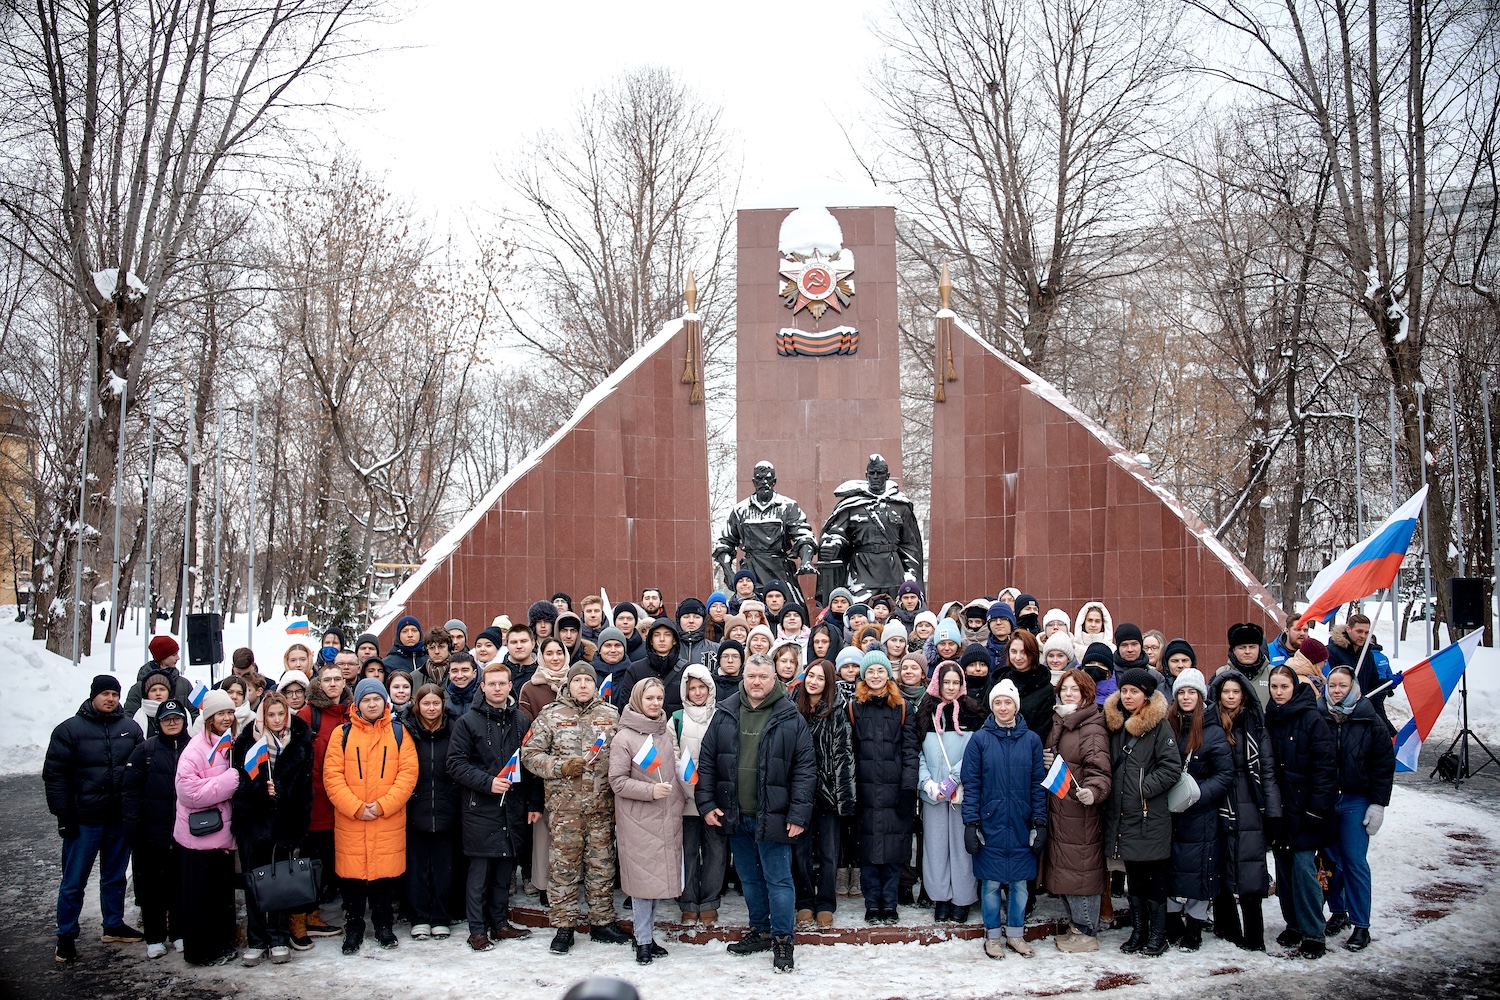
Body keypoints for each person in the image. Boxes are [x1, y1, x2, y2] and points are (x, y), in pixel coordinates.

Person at [696, 652, 815, 973]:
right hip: (735, 814)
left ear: (774, 680)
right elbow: (707, 760)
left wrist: (798, 814)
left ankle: (782, 939)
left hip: (775, 815)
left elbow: (805, 770)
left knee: (778, 879)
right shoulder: (725, 712)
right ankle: (760, 929)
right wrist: (706, 804)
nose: (757, 682)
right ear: (743, 679)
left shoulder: (790, 717)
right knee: (749, 878)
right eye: (752, 677)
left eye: (763, 677)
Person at [521, 662, 631, 954]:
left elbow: (626, 753)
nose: (583, 685)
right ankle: (564, 926)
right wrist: (559, 767)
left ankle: (602, 922)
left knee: (602, 865)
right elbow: (529, 754)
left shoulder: (610, 715)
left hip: (601, 807)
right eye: (577, 680)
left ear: (595, 685)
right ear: (568, 684)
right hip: (564, 809)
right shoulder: (551, 716)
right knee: (564, 869)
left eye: (588, 680)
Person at [45, 674, 145, 962]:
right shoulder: (69, 730)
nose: (110, 699)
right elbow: (55, 776)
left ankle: (113, 924)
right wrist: (63, 814)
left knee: (114, 877)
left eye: (115, 694)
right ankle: (65, 934)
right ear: (93, 696)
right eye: (105, 694)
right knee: (74, 880)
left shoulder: (130, 728)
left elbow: (139, 771)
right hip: (84, 820)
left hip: (118, 819)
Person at [447, 662, 543, 952]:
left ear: (510, 686)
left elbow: (531, 765)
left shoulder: (521, 721)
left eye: (503, 683)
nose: (498, 688)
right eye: (493, 684)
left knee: (504, 871)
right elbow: (455, 764)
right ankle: (477, 930)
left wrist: (534, 803)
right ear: (483, 686)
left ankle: (500, 923)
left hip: (512, 808)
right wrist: (488, 782)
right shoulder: (468, 722)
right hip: (480, 808)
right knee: (479, 876)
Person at [323, 677, 419, 953]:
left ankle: (383, 925)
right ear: (357, 704)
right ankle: (353, 927)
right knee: (352, 879)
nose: (372, 704)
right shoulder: (341, 735)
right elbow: (332, 776)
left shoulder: (399, 732)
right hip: (351, 819)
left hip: (387, 817)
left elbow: (408, 774)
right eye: (366, 699)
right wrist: (355, 807)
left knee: (384, 879)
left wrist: (383, 805)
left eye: (377, 698)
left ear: (384, 701)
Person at [962, 678, 1046, 960]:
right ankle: (993, 936)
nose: (1002, 707)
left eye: (1007, 702)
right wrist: (971, 823)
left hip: (1021, 822)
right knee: (992, 883)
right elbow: (971, 783)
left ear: (1016, 705)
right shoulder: (980, 740)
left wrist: (1039, 821)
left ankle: (1015, 934)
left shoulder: (1032, 740)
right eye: (997, 702)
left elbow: (1038, 784)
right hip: (991, 821)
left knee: (1020, 884)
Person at [1102, 668, 1181, 958]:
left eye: (1134, 691)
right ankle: (1138, 932)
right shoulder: (1115, 724)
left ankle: (1157, 935)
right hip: (1122, 814)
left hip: (1150, 815)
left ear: (1146, 696)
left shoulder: (1159, 727)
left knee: (1154, 879)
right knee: (1134, 878)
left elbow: (1172, 767)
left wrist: (1142, 788)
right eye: (1124, 691)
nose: (1128, 696)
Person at [231, 691, 314, 965]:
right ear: (262, 716)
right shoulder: (247, 742)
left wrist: (294, 821)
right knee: (255, 881)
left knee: (279, 881)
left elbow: (304, 788)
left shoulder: (301, 740)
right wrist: (259, 790)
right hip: (253, 823)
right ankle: (256, 938)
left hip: (284, 823)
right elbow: (237, 785)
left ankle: (278, 936)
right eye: (271, 714)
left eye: (281, 714)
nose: (277, 720)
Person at [608, 677, 687, 965]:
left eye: (659, 698)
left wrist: (686, 781)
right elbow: (617, 781)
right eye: (649, 698)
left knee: (655, 882)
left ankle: (648, 937)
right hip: (638, 819)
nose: (655, 703)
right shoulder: (624, 737)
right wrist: (650, 791)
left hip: (666, 815)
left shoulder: (665, 731)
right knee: (643, 884)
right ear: (638, 700)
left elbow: (673, 765)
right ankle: (642, 940)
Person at [1264, 664, 1337, 959]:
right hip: (1280, 810)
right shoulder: (1270, 717)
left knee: (1306, 871)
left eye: (1284, 687)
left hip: (1306, 810)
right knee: (1284, 870)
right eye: (1274, 687)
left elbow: (1325, 768)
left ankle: (1313, 932)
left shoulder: (1312, 719)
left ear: (1295, 687)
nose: (1279, 692)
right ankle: (1293, 924)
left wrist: (1318, 808)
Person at [1322, 664, 1395, 952]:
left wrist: (1378, 804)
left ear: (1353, 687)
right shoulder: (1319, 715)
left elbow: (1383, 766)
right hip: (1326, 800)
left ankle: (1361, 924)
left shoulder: (1370, 719)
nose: (1337, 691)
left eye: (1342, 686)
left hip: (1355, 799)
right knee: (1330, 861)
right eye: (1332, 686)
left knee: (1353, 861)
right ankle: (1337, 911)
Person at [1208, 667, 1279, 952]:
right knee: (1220, 864)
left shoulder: (1255, 724)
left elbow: (1268, 771)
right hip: (1218, 798)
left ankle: (1254, 935)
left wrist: (1273, 813)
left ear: (1245, 695)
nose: (1231, 697)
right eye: (1226, 692)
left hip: (1250, 798)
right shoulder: (1210, 724)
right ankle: (1228, 928)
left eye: (1236, 692)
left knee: (1251, 869)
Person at [1041, 668, 1111, 952]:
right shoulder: (1062, 721)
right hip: (1061, 806)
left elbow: (1100, 770)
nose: (1068, 694)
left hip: (1080, 810)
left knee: (1082, 871)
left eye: (1075, 690)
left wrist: (1092, 793)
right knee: (1069, 869)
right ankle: (1076, 927)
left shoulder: (1091, 727)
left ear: (1086, 694)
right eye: (1065, 689)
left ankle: (1086, 931)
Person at [1164, 665, 1233, 951]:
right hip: (1169, 813)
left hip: (1200, 813)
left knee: (1199, 873)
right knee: (1171, 869)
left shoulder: (1212, 730)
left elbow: (1225, 775)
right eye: (1182, 692)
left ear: (1202, 696)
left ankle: (1194, 928)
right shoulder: (1169, 725)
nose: (1186, 697)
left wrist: (1198, 795)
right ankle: (1171, 922)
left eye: (1192, 691)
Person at [849, 651, 920, 924]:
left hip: (894, 792)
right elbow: (850, 752)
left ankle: (889, 905)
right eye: (870, 672)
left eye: (880, 671)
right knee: (868, 854)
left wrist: (908, 789)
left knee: (892, 854)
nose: (876, 676)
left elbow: (911, 751)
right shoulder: (855, 707)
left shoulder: (902, 707)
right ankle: (872, 904)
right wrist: (851, 792)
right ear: (864, 676)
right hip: (866, 792)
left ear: (888, 674)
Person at [173, 689, 240, 966]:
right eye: (220, 713)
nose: (226, 718)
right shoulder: (195, 749)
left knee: (221, 899)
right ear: (209, 717)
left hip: (223, 837)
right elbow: (187, 791)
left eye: (229, 712)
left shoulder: (230, 744)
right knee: (200, 900)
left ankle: (223, 946)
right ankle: (201, 953)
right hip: (199, 839)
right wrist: (229, 782)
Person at [122, 698, 190, 960]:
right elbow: (130, 793)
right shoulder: (145, 751)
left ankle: (180, 932)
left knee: (180, 885)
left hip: (183, 832)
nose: (172, 723)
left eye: (176, 719)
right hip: (152, 833)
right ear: (158, 723)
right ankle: (154, 936)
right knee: (151, 888)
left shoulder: (192, 747)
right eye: (166, 720)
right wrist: (133, 830)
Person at [792, 658, 856, 928]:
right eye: (810, 676)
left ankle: (826, 903)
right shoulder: (791, 708)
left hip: (828, 793)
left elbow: (844, 756)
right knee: (800, 851)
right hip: (799, 793)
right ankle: (804, 901)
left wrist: (845, 799)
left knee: (829, 853)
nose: (813, 681)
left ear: (828, 682)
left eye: (820, 678)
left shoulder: (837, 711)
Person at [917, 662, 982, 925]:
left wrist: (955, 779)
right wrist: (927, 783)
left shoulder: (973, 712)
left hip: (960, 792)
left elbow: (974, 752)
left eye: (956, 682)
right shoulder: (924, 712)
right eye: (947, 683)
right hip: (933, 794)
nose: (951, 687)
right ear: (938, 684)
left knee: (961, 847)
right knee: (935, 847)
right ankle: (940, 897)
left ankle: (963, 899)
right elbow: (917, 753)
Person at [817, 455, 924, 601]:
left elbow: (910, 544)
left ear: (887, 476)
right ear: (866, 476)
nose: (875, 477)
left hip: (892, 570)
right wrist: (834, 543)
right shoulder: (853, 505)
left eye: (879, 473)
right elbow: (836, 532)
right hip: (862, 570)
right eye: (871, 473)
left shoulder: (900, 506)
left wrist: (911, 573)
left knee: (893, 612)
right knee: (860, 614)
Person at [403, 683, 461, 942]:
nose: (431, 708)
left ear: (442, 704)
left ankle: (440, 917)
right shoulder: (407, 731)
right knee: (417, 868)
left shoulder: (455, 728)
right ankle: (419, 917)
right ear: (418, 705)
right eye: (425, 703)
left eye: (435, 703)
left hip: (447, 807)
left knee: (444, 867)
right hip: (416, 807)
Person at [295, 660, 347, 939]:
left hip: (344, 800)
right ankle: (303, 915)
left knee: (330, 860)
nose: (333, 684)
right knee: (311, 860)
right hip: (315, 799)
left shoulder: (351, 712)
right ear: (319, 683)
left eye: (338, 679)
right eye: (328, 680)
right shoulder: (307, 714)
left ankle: (320, 912)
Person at [673, 664, 728, 926]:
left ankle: (709, 901)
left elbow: (726, 757)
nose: (696, 692)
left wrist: (713, 797)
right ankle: (688, 901)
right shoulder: (676, 718)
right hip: (684, 799)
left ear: (710, 688)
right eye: (691, 688)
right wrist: (690, 792)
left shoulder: (721, 716)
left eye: (701, 687)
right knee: (688, 852)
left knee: (715, 852)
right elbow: (673, 758)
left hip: (715, 800)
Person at [714, 460, 817, 590]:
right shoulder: (740, 510)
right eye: (759, 479)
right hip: (751, 575)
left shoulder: (788, 506)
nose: (764, 483)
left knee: (794, 609)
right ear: (753, 482)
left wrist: (806, 560)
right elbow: (725, 543)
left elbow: (804, 535)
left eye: (768, 479)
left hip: (780, 571)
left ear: (774, 481)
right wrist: (728, 572)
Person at [1328, 614, 1396, 736]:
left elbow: (1373, 684)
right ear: (1348, 629)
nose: (1363, 636)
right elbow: (1327, 685)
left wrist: (1389, 682)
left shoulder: (1367, 654)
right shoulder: (1332, 651)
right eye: (1359, 631)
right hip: (1338, 714)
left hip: (1361, 712)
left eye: (1366, 632)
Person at [997, 631, 1056, 743]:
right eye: (1014, 652)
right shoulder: (999, 682)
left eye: (1024, 652)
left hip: (1028, 748)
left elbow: (1042, 728)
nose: (1018, 657)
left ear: (1033, 653)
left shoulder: (1045, 688)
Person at [124, 635, 198, 720]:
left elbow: (194, 714)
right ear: (163, 657)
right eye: (174, 654)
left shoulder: (184, 684)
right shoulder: (138, 688)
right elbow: (129, 718)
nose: (178, 658)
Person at [521, 637, 570, 722]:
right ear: (541, 657)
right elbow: (526, 725)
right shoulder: (529, 689)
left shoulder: (577, 684)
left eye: (559, 653)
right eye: (549, 654)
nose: (555, 658)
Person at [446, 651, 481, 716]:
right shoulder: (445, 701)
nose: (460, 676)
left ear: (474, 673)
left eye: (465, 670)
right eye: (455, 671)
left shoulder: (485, 697)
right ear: (449, 674)